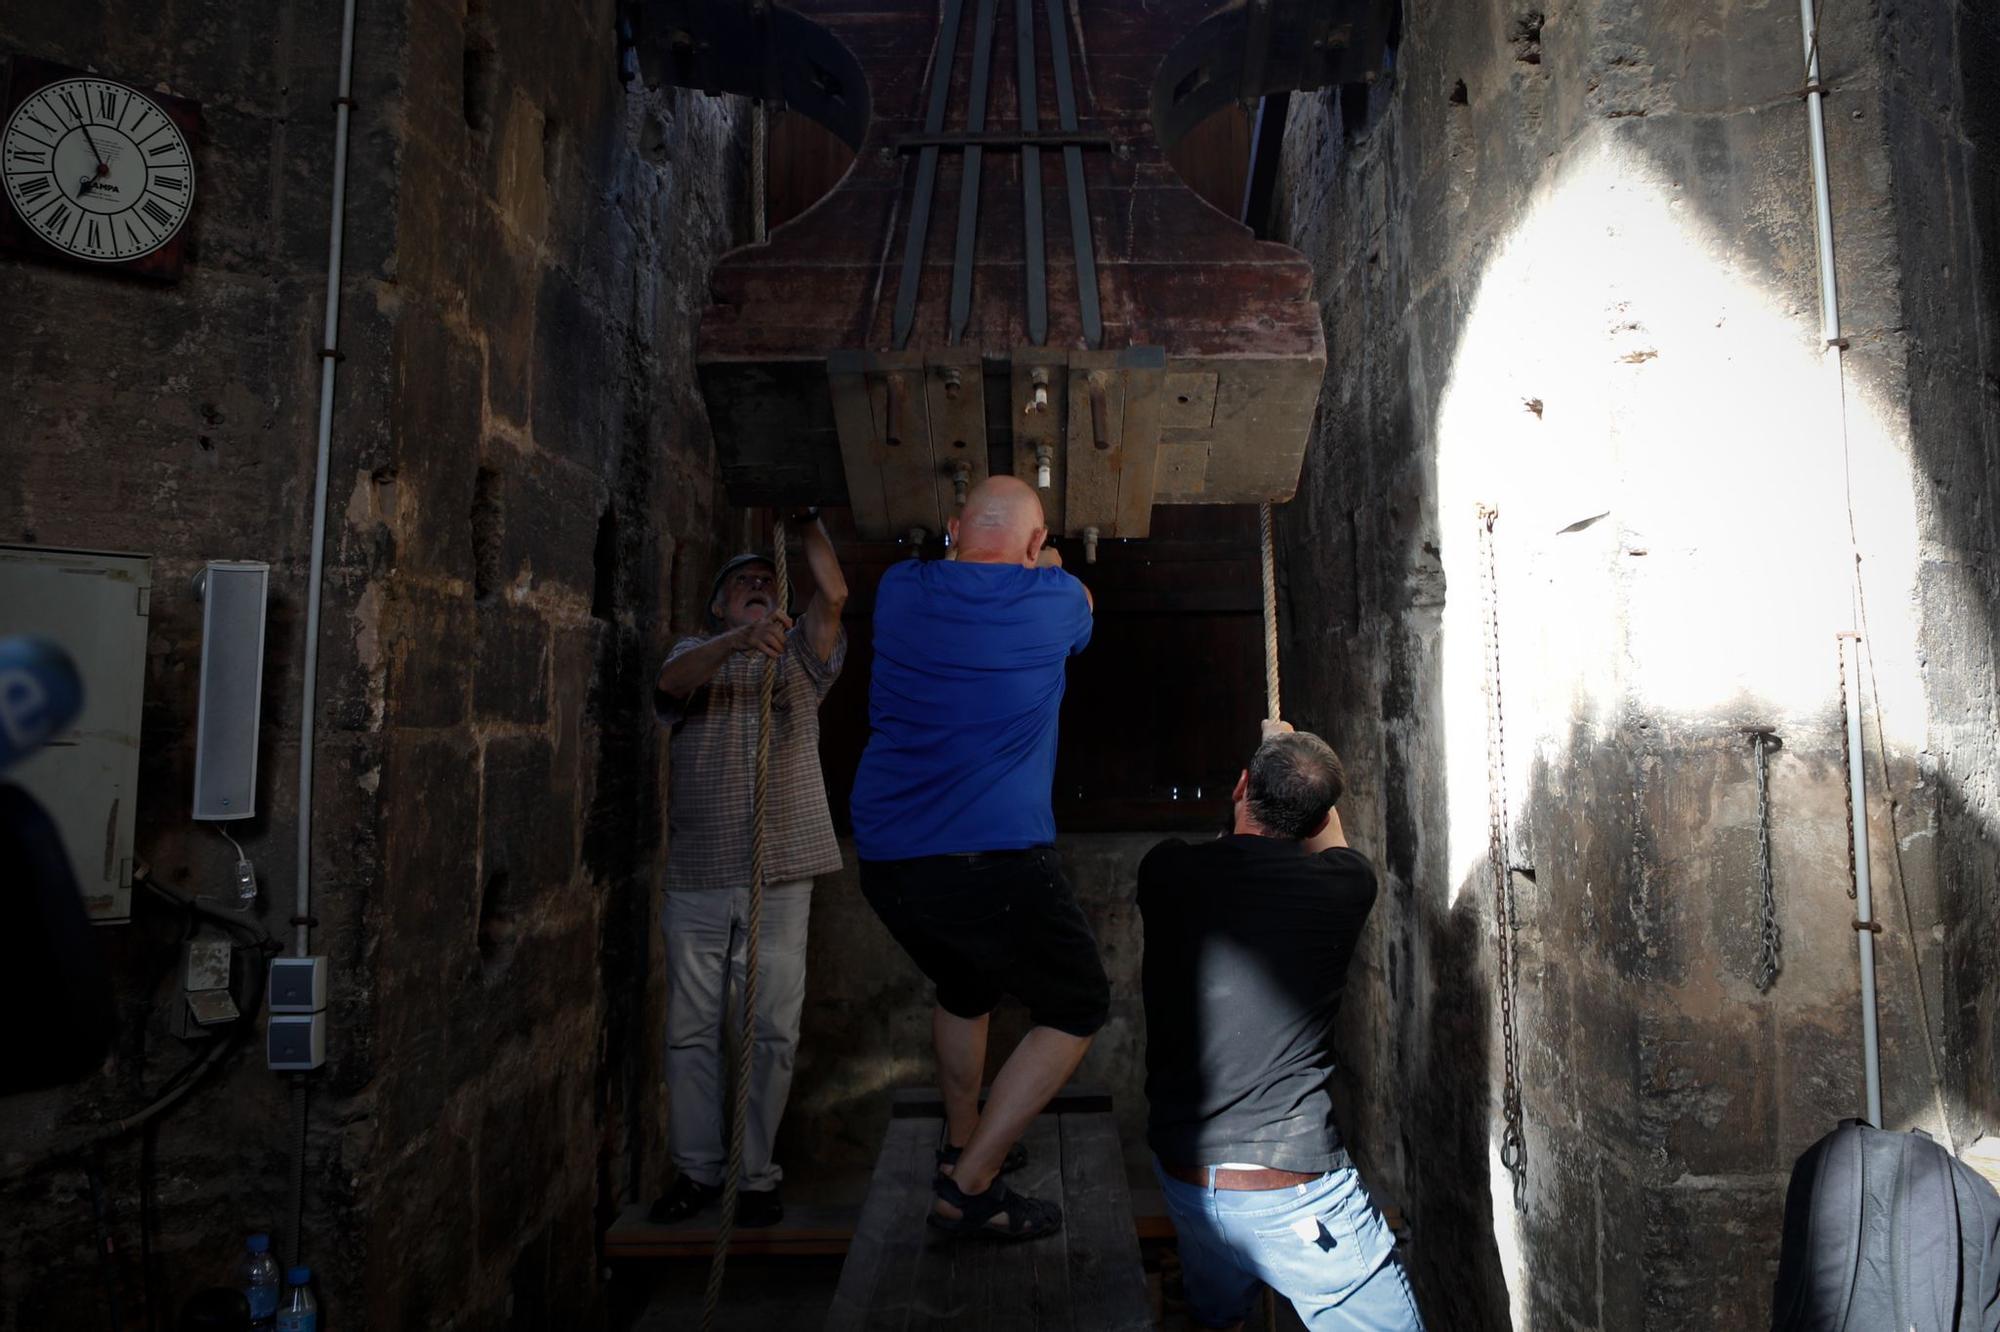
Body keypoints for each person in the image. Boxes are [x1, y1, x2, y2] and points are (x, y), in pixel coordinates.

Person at [850, 475, 1105, 1242]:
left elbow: (960, 559)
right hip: (990, 861)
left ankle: (963, 1136)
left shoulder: (899, 589)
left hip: (890, 864)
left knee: (964, 983)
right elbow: (1082, 607)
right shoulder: (1057, 599)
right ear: (1036, 545)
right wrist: (1046, 562)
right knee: (1077, 1002)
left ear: (955, 528)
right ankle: (970, 1188)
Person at [1139, 721, 1424, 1331]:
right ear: (1323, 820)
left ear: (1242, 786)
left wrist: (1274, 753)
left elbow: (1227, 857)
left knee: (1217, 1315)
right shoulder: (1346, 889)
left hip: (1189, 1180)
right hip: (1287, 1190)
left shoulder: (1164, 873)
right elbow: (1330, 844)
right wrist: (1300, 768)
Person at [648, 513, 848, 1227]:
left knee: (770, 1030)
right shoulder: (696, 652)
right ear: (720, 605)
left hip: (782, 871)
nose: (757, 587)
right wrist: (736, 643)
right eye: (743, 584)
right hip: (701, 871)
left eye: (766, 580)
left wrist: (808, 523)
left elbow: (834, 594)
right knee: (692, 1029)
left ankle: (754, 1174)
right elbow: (671, 682)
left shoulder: (801, 658)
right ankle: (699, 1173)